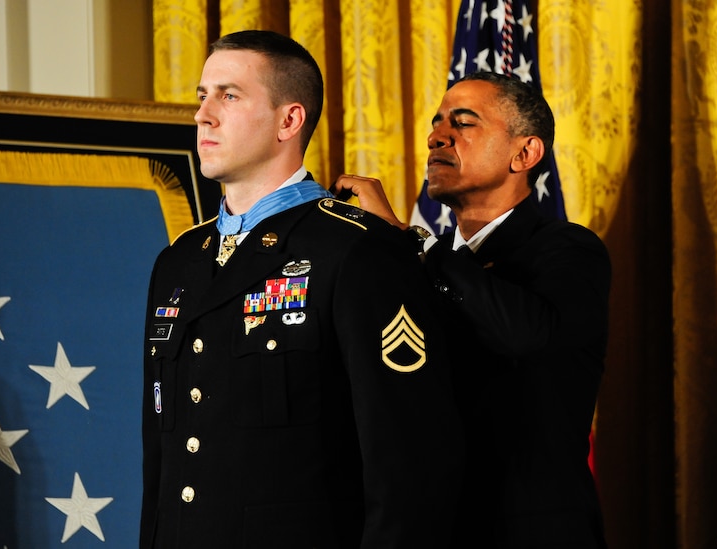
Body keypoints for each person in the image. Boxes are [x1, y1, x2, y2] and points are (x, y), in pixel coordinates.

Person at [140, 30, 463, 549]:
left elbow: (409, 467)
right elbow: (162, 456)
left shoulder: (355, 250)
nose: (203, 115)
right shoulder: (178, 261)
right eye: (203, 96)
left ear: (288, 120)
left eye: (229, 95)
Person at [335, 71, 610, 548]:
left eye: (463, 123)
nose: (436, 136)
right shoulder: (417, 261)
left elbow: (529, 335)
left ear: (524, 154)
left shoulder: (568, 248)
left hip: (530, 531)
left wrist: (409, 242)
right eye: (438, 121)